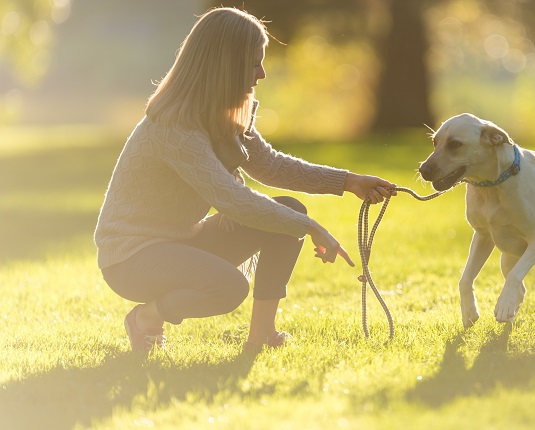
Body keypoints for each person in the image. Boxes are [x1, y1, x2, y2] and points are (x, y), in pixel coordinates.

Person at [94, 7, 395, 352]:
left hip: (180, 241)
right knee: (230, 287)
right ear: (225, 65)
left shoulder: (223, 115)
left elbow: (271, 166)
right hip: (132, 258)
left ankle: (262, 337)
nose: (262, 73)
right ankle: (147, 318)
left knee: (288, 213)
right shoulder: (173, 128)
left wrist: (349, 181)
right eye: (254, 63)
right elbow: (232, 200)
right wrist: (311, 227)